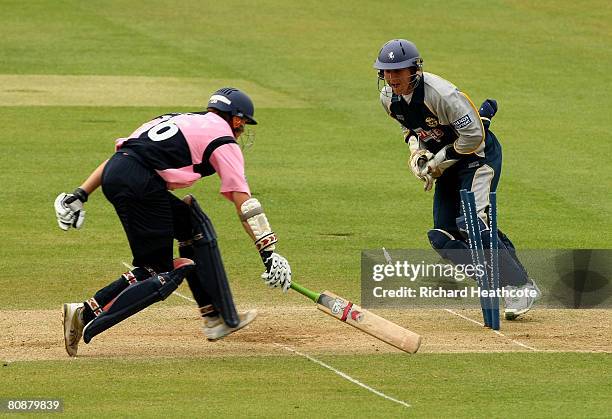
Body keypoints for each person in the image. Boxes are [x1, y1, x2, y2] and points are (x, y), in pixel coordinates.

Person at [55, 87, 292, 357]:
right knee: (159, 272)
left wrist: (81, 193)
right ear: (237, 120)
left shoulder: (176, 118)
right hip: (141, 184)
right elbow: (245, 203)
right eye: (243, 123)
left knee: (191, 223)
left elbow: (120, 156)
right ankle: (84, 314)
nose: (241, 130)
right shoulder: (224, 140)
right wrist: (268, 252)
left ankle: (217, 318)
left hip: (119, 174)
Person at [373, 39, 540, 320]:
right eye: (386, 72)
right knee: (442, 236)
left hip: (478, 157)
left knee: (473, 221)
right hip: (449, 164)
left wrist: (439, 160)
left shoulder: (442, 94)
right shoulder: (388, 99)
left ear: (414, 70)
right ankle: (499, 280)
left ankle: (519, 285)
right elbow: (410, 129)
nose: (391, 78)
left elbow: (475, 136)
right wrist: (417, 153)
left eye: (398, 71)